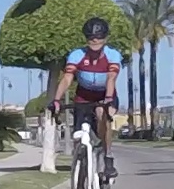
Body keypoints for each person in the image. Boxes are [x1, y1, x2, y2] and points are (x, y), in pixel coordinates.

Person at [50, 17, 121, 179]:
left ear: (105, 38)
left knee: (103, 115)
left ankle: (108, 156)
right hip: (83, 95)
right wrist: (56, 100)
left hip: (105, 94)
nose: (95, 40)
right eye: (90, 37)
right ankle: (80, 164)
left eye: (99, 37)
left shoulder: (112, 55)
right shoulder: (77, 55)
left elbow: (111, 78)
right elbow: (67, 78)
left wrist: (108, 99)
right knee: (78, 134)